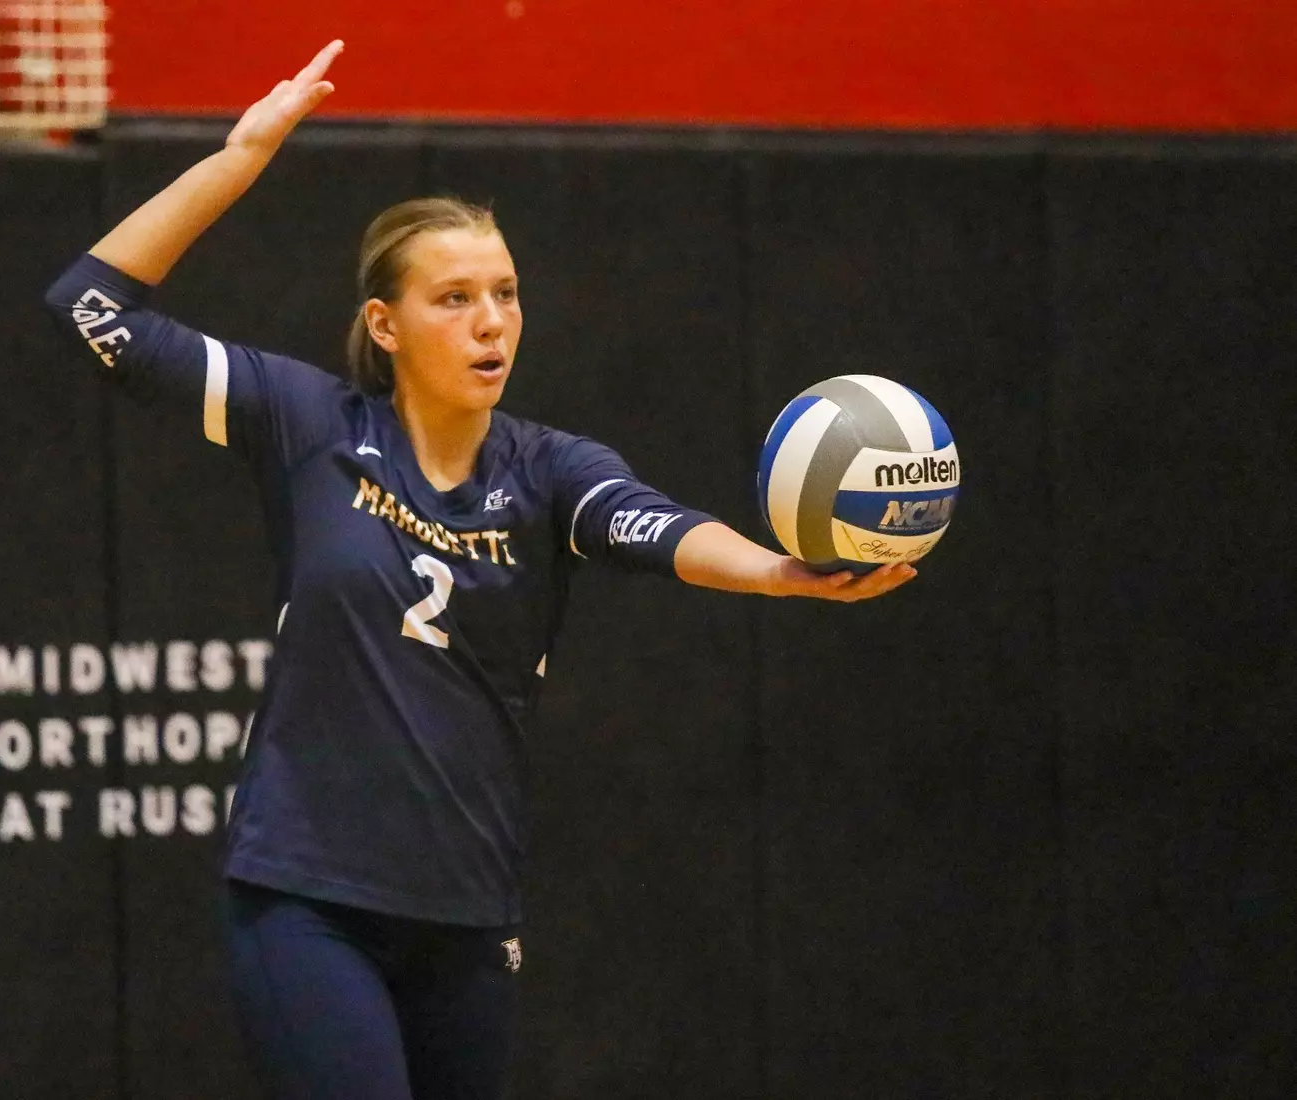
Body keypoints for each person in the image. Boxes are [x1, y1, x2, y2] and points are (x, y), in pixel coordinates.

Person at [44, 39, 915, 1100]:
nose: (491, 319)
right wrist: (237, 159)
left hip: (466, 912)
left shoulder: (551, 470)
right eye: (453, 297)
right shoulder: (308, 421)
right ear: (387, 324)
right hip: (308, 898)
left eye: (503, 292)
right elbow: (92, 308)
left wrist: (778, 571)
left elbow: (658, 528)